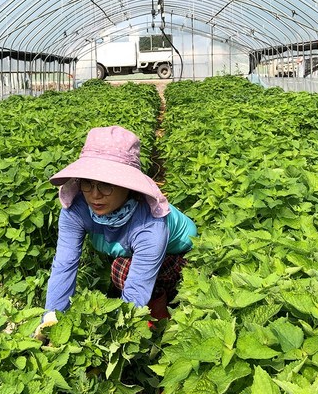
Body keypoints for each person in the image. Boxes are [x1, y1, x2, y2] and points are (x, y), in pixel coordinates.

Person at [34, 125, 197, 338]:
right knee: (121, 267)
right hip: (132, 250)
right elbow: (65, 263)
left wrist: (116, 337)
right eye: (88, 183)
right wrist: (52, 317)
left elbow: (136, 288)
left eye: (106, 185)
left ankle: (161, 320)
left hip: (182, 254)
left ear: (128, 186)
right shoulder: (77, 209)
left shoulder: (150, 224)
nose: (95, 195)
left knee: (123, 271)